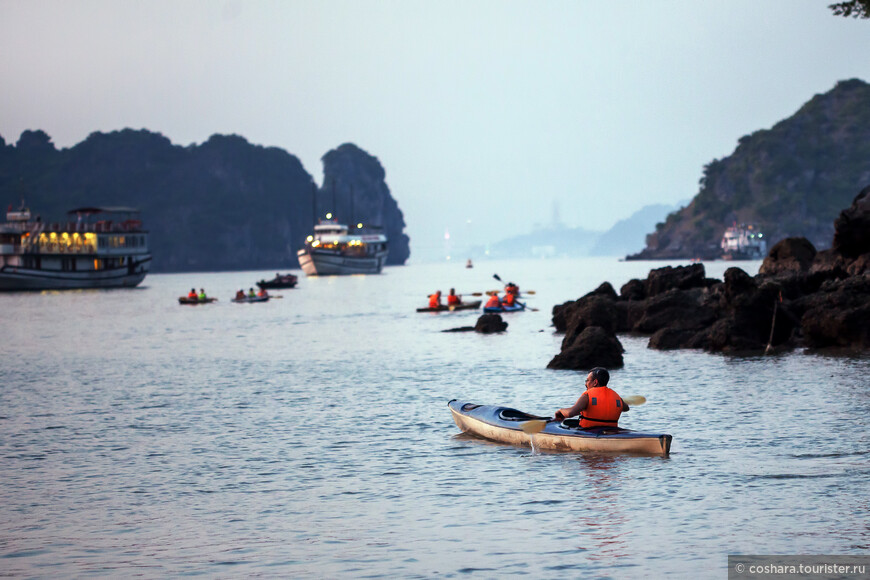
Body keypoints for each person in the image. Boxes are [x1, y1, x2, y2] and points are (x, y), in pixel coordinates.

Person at [554, 367, 629, 428]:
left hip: (589, 431)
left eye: (587, 381)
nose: (585, 384)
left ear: (595, 382)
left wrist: (561, 411)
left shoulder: (587, 396)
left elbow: (570, 413)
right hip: (611, 431)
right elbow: (626, 408)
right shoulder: (617, 397)